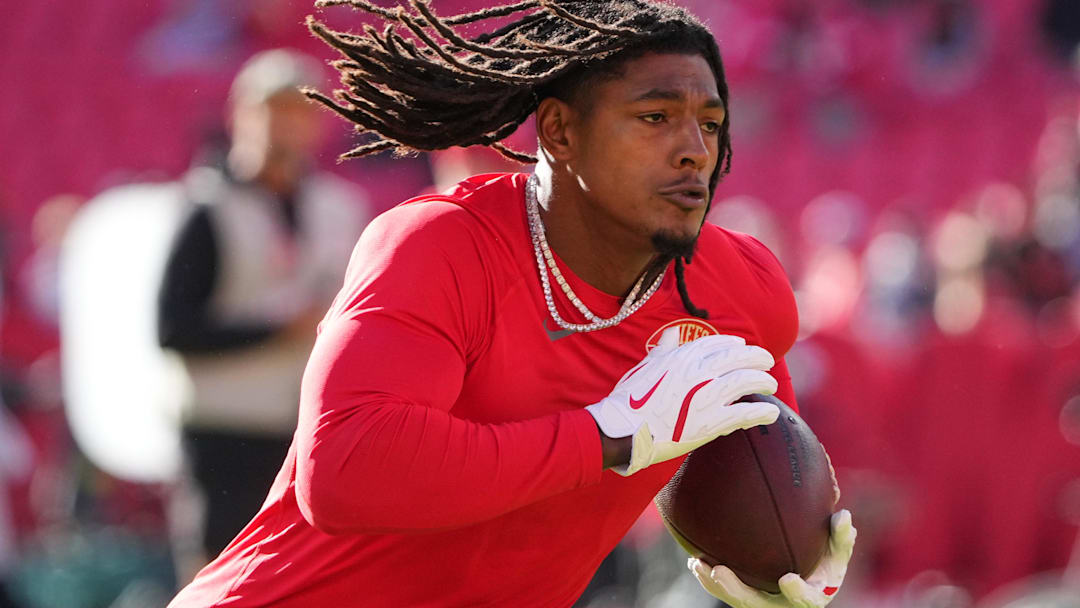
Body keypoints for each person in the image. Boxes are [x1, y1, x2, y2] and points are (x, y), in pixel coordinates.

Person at [168, 1, 855, 607]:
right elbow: (343, 471)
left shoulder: (740, 288)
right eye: (656, 118)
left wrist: (785, 563)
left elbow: (765, 458)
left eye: (710, 123)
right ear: (559, 131)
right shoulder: (439, 243)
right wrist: (607, 435)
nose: (694, 151)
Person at [155, 49, 371, 573]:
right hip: (224, 426)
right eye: (273, 109)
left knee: (304, 576)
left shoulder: (341, 207)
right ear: (241, 115)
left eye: (301, 110)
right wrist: (278, 330)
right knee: (218, 575)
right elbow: (173, 329)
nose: (287, 124)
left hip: (307, 426)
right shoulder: (205, 206)